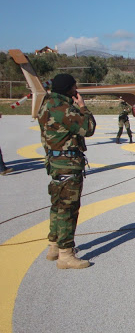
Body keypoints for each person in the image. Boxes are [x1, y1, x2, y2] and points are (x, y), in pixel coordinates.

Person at [37, 74, 96, 269]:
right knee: (68, 209)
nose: (76, 89)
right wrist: (83, 107)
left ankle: (54, 246)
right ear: (68, 88)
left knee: (57, 205)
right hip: (68, 162)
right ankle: (66, 255)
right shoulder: (64, 109)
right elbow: (88, 128)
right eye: (74, 86)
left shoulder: (46, 104)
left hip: (54, 161)